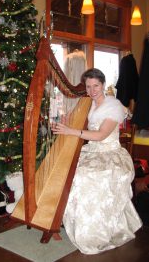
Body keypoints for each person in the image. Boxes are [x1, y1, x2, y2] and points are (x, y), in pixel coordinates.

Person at [52, 68, 142, 255]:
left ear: (103, 84)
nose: (92, 90)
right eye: (88, 86)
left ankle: (93, 232)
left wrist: (71, 131)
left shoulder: (114, 106)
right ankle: (71, 222)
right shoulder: (88, 103)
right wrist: (63, 123)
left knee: (84, 177)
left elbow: (101, 135)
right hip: (90, 152)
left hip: (109, 154)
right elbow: (77, 122)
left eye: (96, 86)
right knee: (67, 172)